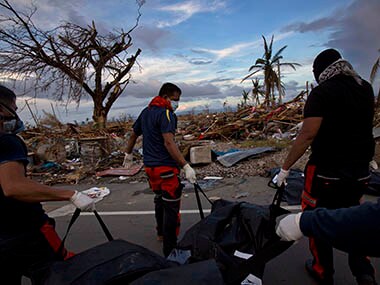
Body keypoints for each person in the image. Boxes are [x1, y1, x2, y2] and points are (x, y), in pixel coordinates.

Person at [276, 49, 376, 285]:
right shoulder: (365, 88)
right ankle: (364, 272)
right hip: (360, 171)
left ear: (321, 70)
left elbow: (307, 134)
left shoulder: (322, 93)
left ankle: (323, 270)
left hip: (327, 170)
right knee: (355, 217)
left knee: (314, 216)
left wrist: (285, 168)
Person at [0, 85, 95, 284]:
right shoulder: (7, 142)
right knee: (59, 275)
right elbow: (13, 187)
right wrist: (71, 195)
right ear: (2, 109)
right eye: (14, 109)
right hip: (24, 233)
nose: (16, 116)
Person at [124, 82, 196, 257]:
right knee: (171, 207)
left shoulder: (146, 112)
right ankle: (170, 251)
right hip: (166, 168)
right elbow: (169, 142)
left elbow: (134, 134)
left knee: (159, 200)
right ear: (165, 97)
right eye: (175, 100)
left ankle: (161, 233)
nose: (177, 104)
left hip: (150, 169)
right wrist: (185, 165)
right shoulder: (166, 114)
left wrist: (128, 153)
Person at [276, 200, 380, 284]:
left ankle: (322, 270)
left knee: (313, 205)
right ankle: (364, 271)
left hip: (324, 180)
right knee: (355, 207)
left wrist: (304, 221)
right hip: (356, 179)